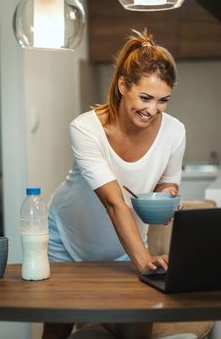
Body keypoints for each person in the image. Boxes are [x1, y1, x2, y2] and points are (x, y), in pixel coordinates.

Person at [42, 28, 186, 339]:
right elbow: (113, 201)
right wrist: (144, 260)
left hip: (127, 244)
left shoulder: (175, 132)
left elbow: (167, 183)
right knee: (57, 327)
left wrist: (167, 199)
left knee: (138, 327)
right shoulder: (85, 128)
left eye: (163, 101)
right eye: (145, 97)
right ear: (123, 85)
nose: (153, 110)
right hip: (66, 238)